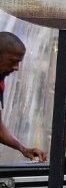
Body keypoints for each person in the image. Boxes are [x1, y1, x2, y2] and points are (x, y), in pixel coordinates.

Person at [0, 32, 47, 161]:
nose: (16, 68)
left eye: (19, 62)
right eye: (13, 61)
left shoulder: (0, 82)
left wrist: (23, 149)